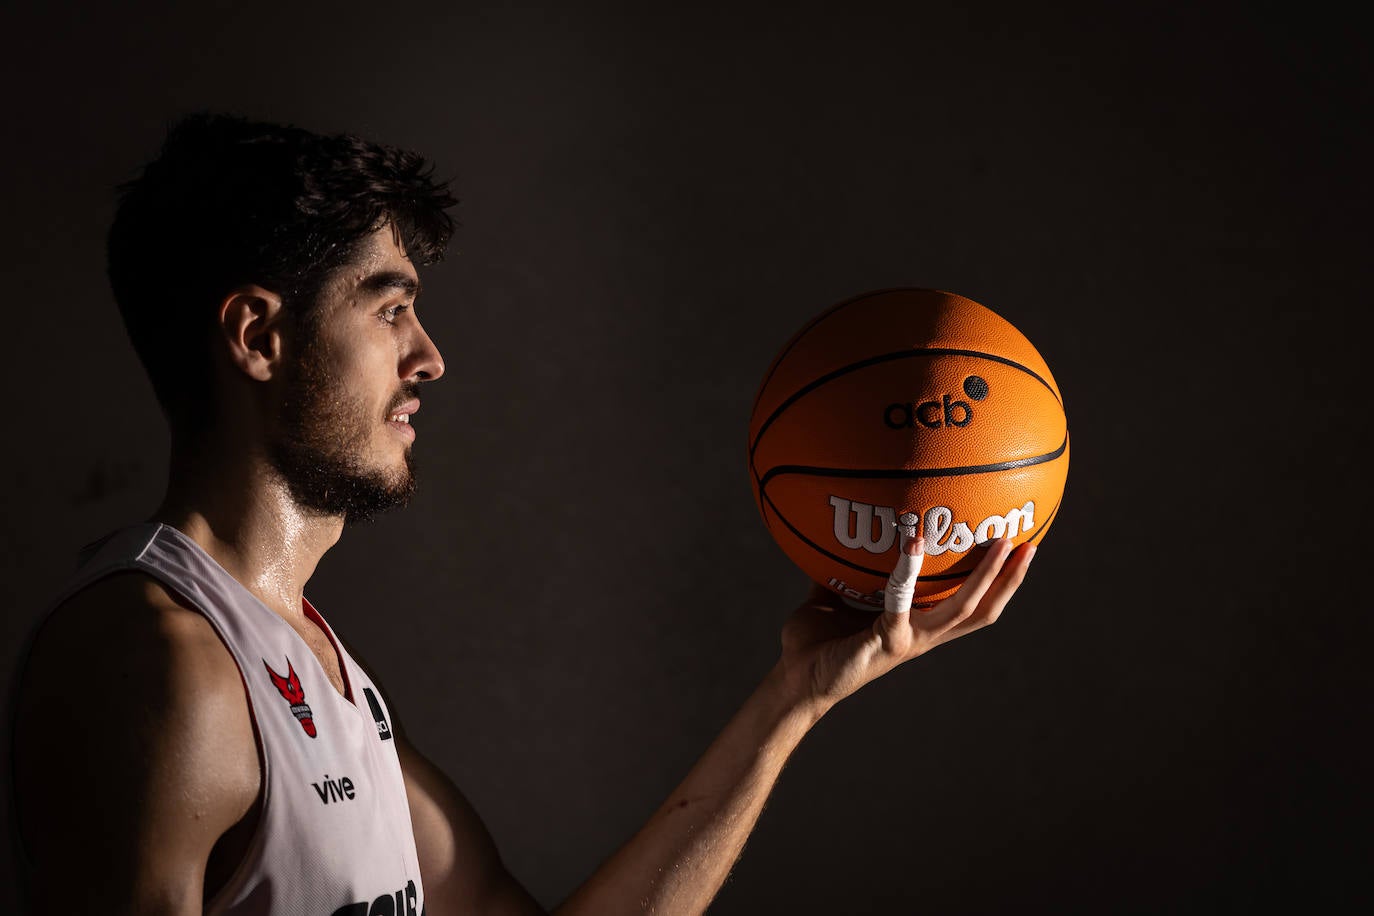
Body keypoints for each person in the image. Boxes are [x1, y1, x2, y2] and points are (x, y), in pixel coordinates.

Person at [8, 112, 1036, 915]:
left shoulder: (316, 668)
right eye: (390, 306)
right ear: (259, 337)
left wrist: (795, 697)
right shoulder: (157, 667)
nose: (430, 358)